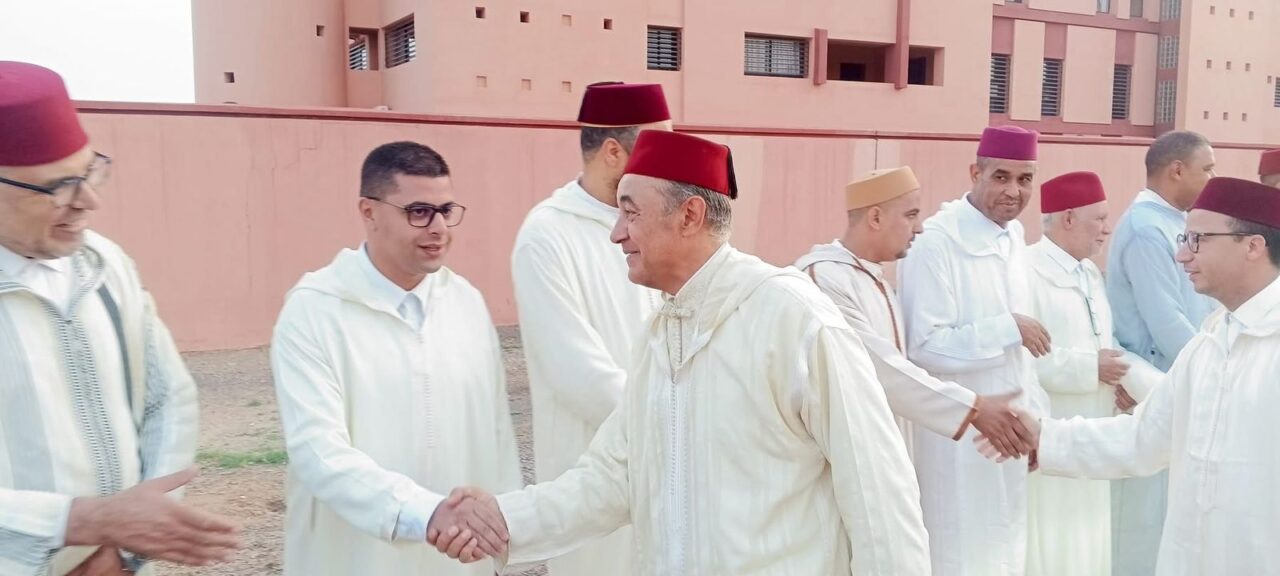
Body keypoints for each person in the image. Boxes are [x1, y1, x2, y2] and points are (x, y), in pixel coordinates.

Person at [434, 130, 930, 574]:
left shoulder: (793, 319)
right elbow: (613, 475)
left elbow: (879, 495)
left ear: (689, 215)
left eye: (631, 213)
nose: (616, 232)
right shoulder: (660, 337)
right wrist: (506, 518)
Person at [0, 61, 240, 576]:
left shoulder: (105, 264)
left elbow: (166, 397)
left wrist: (127, 545)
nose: (90, 201)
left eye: (90, 171)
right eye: (57, 187)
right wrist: (76, 525)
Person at [979, 176, 1280, 576]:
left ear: (1253, 247)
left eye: (1197, 240)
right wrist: (1043, 438)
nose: (1182, 256)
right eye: (1184, 239)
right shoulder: (1208, 344)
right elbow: (1144, 437)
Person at [270, 141, 522, 575]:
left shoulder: (465, 302)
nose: (438, 227)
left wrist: (506, 527)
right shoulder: (315, 310)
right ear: (368, 212)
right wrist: (423, 512)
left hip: (459, 557)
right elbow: (318, 451)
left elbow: (496, 431)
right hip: (355, 557)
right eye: (418, 211)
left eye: (446, 210)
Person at [510, 82, 670, 576]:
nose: (670, 161)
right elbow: (576, 373)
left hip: (666, 459)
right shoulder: (547, 236)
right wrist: (675, 422)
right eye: (658, 146)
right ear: (613, 153)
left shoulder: (661, 220)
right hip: (594, 468)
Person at [896, 125, 1051, 576]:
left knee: (1006, 549)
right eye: (1001, 177)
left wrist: (1037, 421)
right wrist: (1008, 327)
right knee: (959, 551)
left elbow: (1024, 358)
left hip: (1010, 433)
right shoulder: (936, 241)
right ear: (975, 173)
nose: (1013, 191)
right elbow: (924, 346)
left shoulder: (1014, 236)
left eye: (1025, 179)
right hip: (959, 437)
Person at [794, 166, 1032, 461]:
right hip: (838, 460)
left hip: (881, 455)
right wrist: (973, 408)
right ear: (876, 218)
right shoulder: (824, 278)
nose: (919, 228)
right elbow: (878, 368)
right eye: (910, 215)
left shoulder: (877, 282)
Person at [1022, 172, 1162, 576]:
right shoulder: (1026, 271)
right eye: (1099, 218)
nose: (1107, 228)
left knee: (1091, 539)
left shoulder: (1089, 275)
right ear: (1068, 218)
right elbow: (1024, 359)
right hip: (1051, 433)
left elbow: (1105, 343)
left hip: (1095, 431)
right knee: (1053, 539)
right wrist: (1090, 368)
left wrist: (1121, 384)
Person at [1105, 130, 1217, 575]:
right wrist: (1212, 374)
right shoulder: (1146, 230)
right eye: (1207, 169)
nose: (1211, 178)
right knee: (1143, 522)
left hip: (1183, 383)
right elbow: (1165, 320)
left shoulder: (1176, 224)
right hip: (1155, 388)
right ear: (1177, 170)